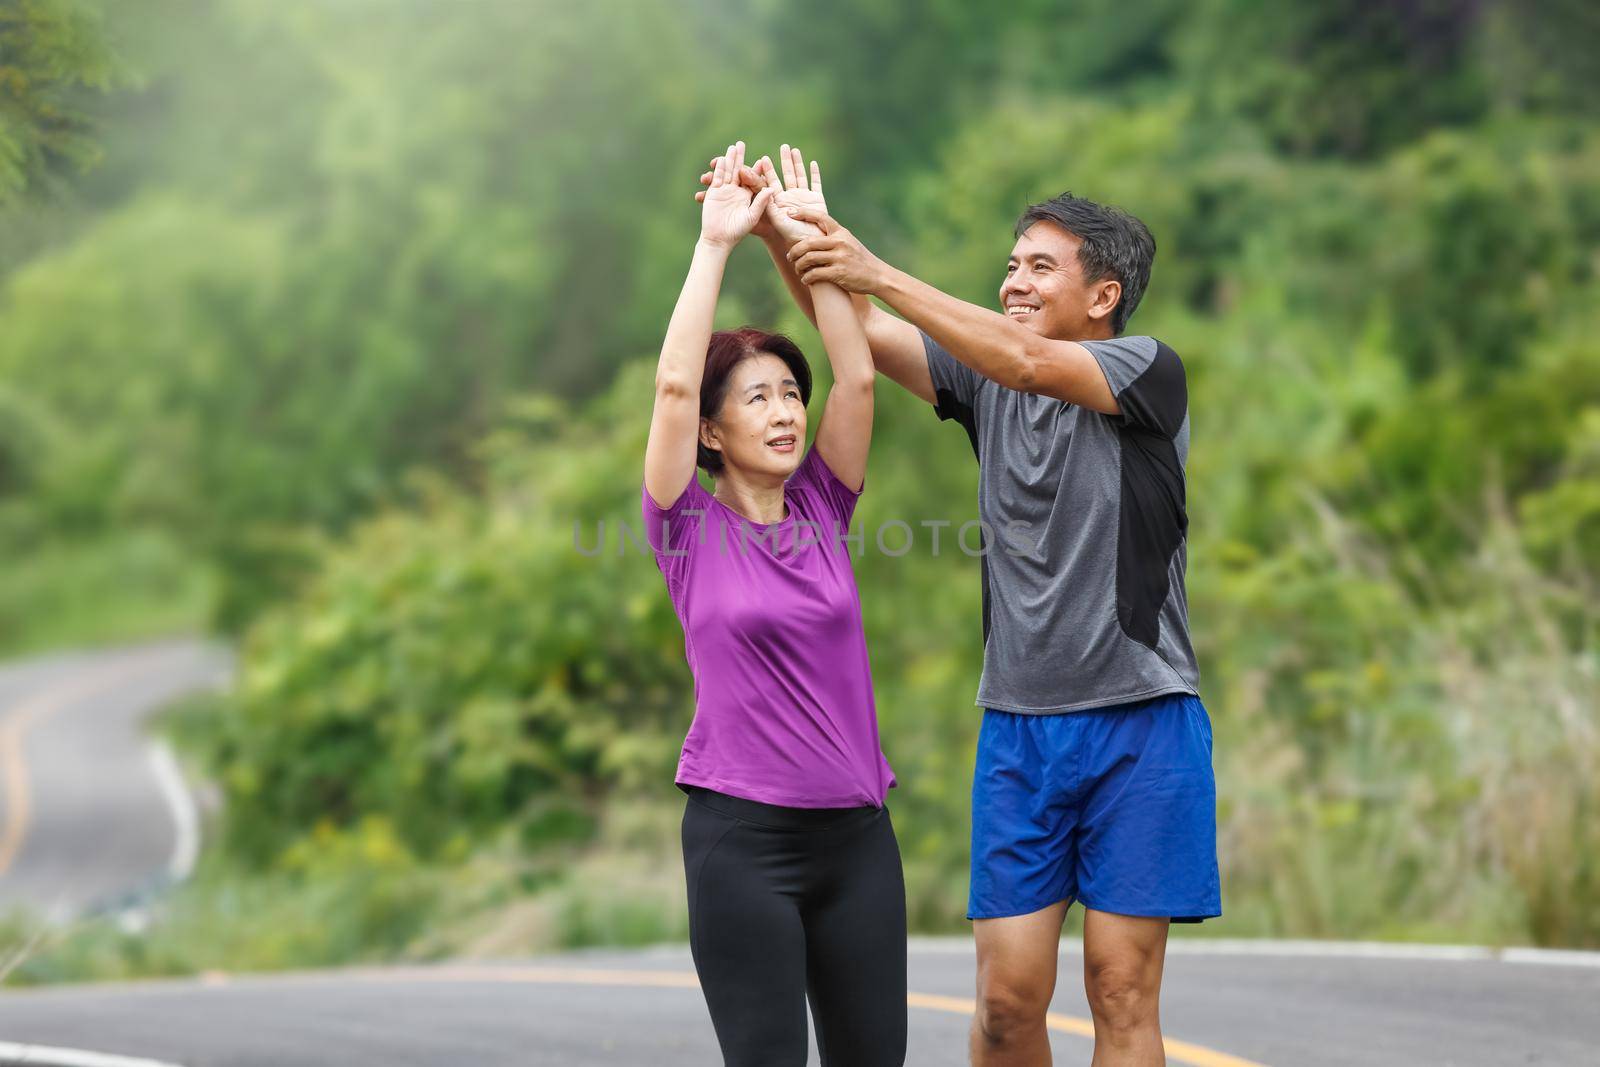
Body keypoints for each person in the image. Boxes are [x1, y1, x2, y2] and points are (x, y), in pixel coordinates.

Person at [710, 153, 1219, 1065]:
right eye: (1012, 263)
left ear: (1103, 296)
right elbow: (856, 326)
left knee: (1120, 987)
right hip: (1021, 731)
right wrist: (785, 230)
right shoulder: (982, 380)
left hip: (1143, 723)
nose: (1013, 281)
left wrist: (876, 267)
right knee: (1007, 1004)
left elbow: (1023, 358)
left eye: (1039, 268)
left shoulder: (1146, 370)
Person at [645, 140, 906, 1067]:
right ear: (713, 431)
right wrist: (716, 244)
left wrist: (799, 238)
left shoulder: (826, 505)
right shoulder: (684, 526)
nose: (787, 410)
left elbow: (862, 370)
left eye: (790, 392)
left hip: (859, 841)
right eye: (757, 398)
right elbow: (675, 383)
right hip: (742, 842)